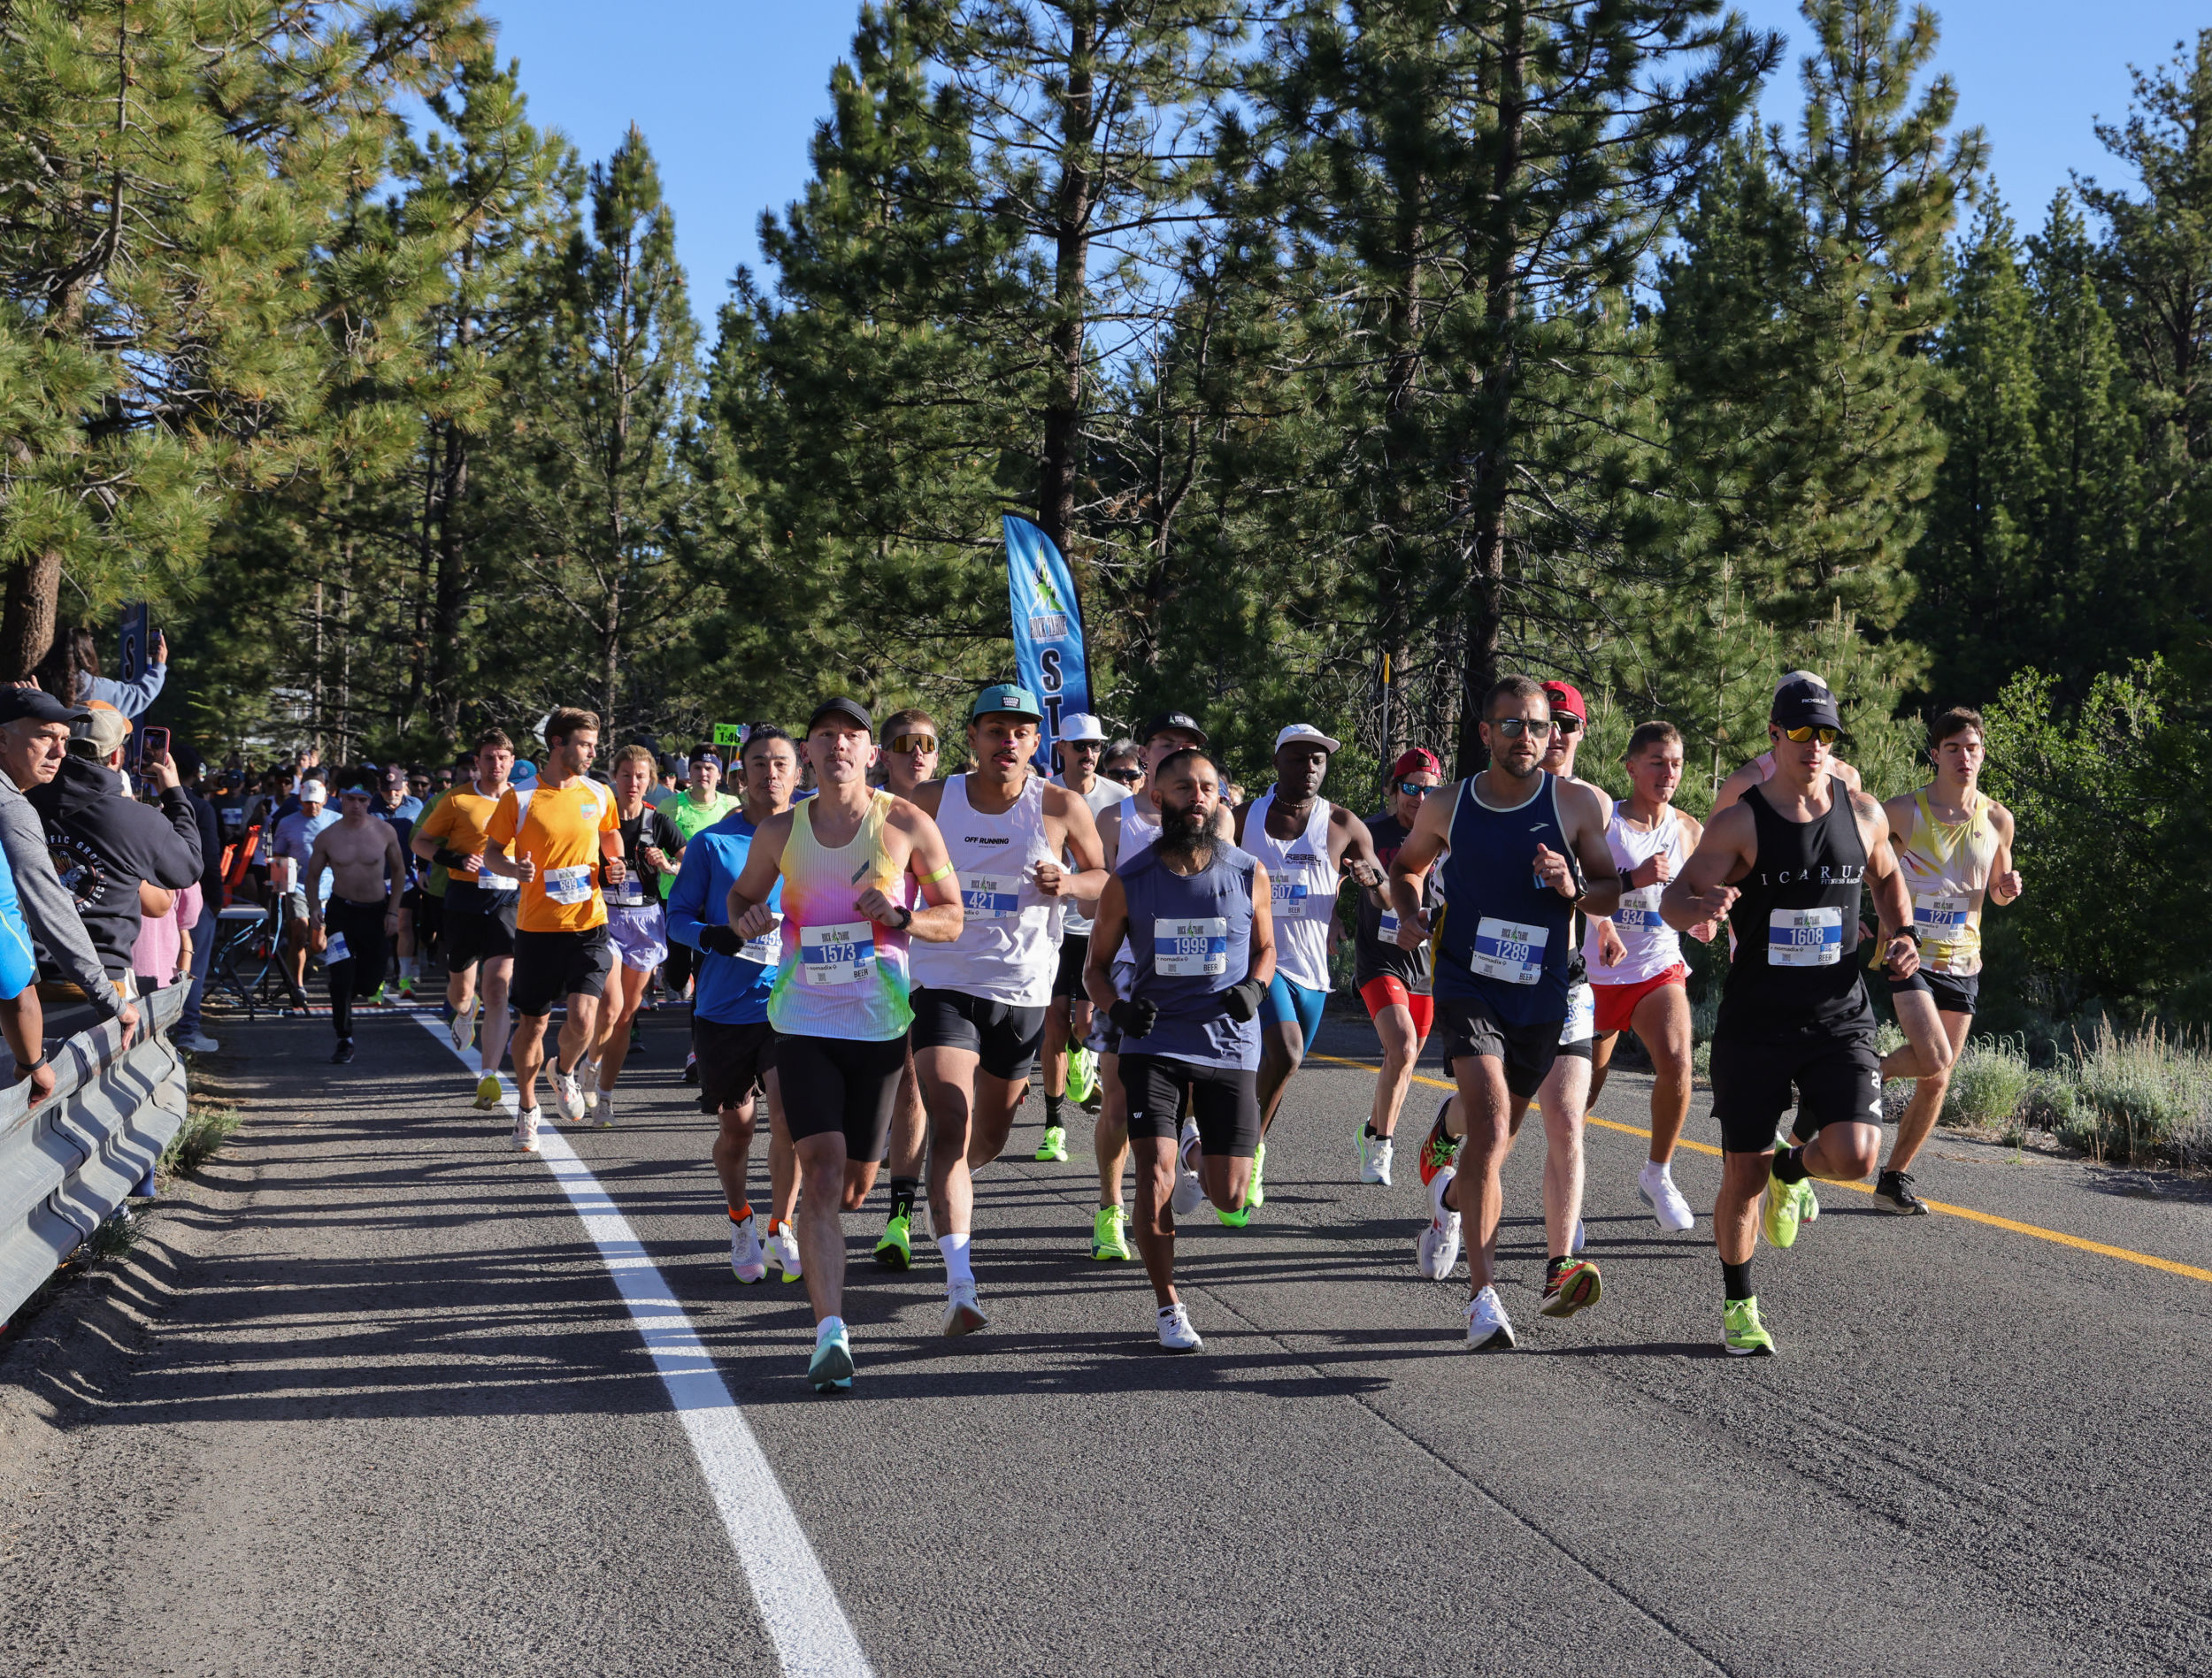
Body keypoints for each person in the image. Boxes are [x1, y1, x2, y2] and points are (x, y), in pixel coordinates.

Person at [1660, 675, 1918, 1355]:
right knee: (1740, 1176)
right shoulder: (1740, 820)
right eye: (1801, 733)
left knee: (1859, 1155)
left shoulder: (1861, 814)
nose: (1815, 746)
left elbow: (1889, 876)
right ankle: (1740, 1302)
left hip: (1839, 1015)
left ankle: (1794, 1168)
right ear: (1774, 737)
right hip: (1757, 1024)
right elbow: (1674, 900)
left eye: (1826, 734)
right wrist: (1701, 911)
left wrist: (1902, 933)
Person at [720, 696, 963, 1392]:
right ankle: (831, 1332)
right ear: (810, 750)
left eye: (850, 737)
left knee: (854, 1186)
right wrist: (749, 918)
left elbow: (954, 917)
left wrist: (904, 916)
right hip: (802, 1020)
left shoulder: (907, 823)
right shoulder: (779, 830)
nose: (837, 748)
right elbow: (740, 902)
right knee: (821, 1176)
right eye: (823, 736)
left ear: (870, 753)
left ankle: (845, 1253)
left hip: (880, 1024)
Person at [1386, 677, 1622, 1350]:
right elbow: (1407, 869)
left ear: (1555, 735)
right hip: (1467, 981)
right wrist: (1411, 913)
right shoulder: (1448, 804)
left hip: (1542, 994)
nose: (1527, 738)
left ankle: (1448, 1206)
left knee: (1499, 1136)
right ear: (1485, 732)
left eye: (1539, 727)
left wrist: (1572, 885)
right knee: (1489, 1119)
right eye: (1512, 725)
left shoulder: (1576, 805)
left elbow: (1606, 893)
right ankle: (1484, 1297)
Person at [909, 685, 1107, 1334]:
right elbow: (885, 865)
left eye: (1021, 731)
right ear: (973, 737)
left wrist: (1070, 882)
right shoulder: (935, 800)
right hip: (942, 979)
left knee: (984, 1139)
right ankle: (960, 1284)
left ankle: (946, 1186)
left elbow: (1105, 880)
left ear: (1035, 742)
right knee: (950, 1114)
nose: (1009, 741)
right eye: (996, 730)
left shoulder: (1059, 806)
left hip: (1021, 992)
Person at [1084, 746, 1275, 1352]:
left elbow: (1267, 949)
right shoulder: (1129, 880)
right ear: (1158, 797)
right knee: (1154, 1173)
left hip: (1228, 1043)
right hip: (1154, 1040)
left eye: (1208, 787)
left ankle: (1199, 1159)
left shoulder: (1248, 871)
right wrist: (1117, 1008)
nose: (1197, 798)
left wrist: (1257, 986)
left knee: (1231, 1196)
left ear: (1221, 798)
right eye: (1184, 787)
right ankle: (1169, 1306)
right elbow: (1093, 967)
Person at [1087, 712, 1235, 1259]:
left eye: (1191, 746)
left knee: (1192, 1088)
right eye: (1168, 744)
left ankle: (1188, 1148)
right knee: (1119, 1100)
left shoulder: (1216, 818)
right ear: (1146, 759)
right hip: (1128, 971)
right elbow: (1090, 899)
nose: (1180, 752)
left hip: (1197, 970)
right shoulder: (1114, 819)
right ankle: (1109, 1209)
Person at [1873, 707, 2021, 1214]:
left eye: (1973, 747)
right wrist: (1879, 919)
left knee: (1938, 1076)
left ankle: (1893, 1179)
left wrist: (2005, 889)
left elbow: (1997, 892)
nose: (1964, 756)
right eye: (1953, 747)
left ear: (1983, 753)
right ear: (1934, 753)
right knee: (1934, 1057)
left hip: (1964, 960)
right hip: (1911, 956)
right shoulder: (1901, 812)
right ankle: (1867, 1075)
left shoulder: (1998, 818)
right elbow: (1865, 862)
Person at [669, 724, 800, 1285]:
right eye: (759, 764)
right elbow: (677, 917)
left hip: (795, 1000)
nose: (769, 774)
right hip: (724, 1007)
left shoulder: (818, 837)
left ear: (798, 774)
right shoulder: (712, 844)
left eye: (780, 764)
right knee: (739, 1127)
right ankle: (741, 1216)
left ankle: (781, 1226)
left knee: (791, 1121)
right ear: (739, 774)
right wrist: (713, 937)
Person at [1234, 724, 1382, 1219]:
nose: (1310, 768)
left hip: (1314, 971)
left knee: (1272, 1070)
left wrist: (1371, 880)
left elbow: (1384, 890)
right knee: (1289, 1053)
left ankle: (1243, 1144)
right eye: (1298, 759)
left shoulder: (1340, 823)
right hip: (1257, 959)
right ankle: (1246, 1155)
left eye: (1318, 759)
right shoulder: (1241, 818)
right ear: (1277, 762)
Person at [1585, 722, 1716, 1231]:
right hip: (1596, 974)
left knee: (1679, 1062)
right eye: (1658, 762)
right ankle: (1566, 1190)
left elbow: (1695, 895)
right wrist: (1604, 925)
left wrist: (1704, 918)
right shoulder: (1604, 823)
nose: (1669, 773)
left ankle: (1658, 1173)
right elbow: (1581, 888)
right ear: (1631, 767)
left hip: (1657, 968)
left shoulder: (1688, 829)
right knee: (1583, 1095)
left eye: (1677, 763)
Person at [480, 709, 623, 1152]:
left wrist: (615, 866)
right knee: (532, 1025)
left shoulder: (599, 793)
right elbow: (491, 855)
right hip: (538, 929)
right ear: (557, 744)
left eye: (595, 745)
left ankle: (563, 1071)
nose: (592, 753)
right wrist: (514, 868)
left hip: (589, 924)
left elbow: (611, 839)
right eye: (584, 744)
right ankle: (527, 1108)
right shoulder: (519, 799)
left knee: (584, 1018)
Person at [29, 707, 203, 985]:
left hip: (30, 976)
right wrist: (174, 795)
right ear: (114, 756)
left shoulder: (21, 803)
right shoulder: (137, 819)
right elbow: (187, 868)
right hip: (105, 976)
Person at [0, 689, 136, 1036]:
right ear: (2, 739)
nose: (60, 751)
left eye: (64, 739)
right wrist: (108, 998)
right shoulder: (10, 808)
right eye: (46, 736)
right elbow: (48, 904)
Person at [867, 707, 941, 1271]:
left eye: (927, 744)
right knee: (909, 1083)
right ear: (883, 755)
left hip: (964, 967)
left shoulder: (960, 805)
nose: (917, 752)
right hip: (885, 970)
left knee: (988, 1115)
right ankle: (900, 1218)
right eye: (904, 743)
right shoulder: (861, 813)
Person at [1351, 748, 1446, 1185]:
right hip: (1380, 960)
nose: (1420, 798)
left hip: (1427, 965)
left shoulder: (1449, 836)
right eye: (1411, 788)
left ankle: (1373, 1128)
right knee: (1402, 1047)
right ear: (1394, 790)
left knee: (1404, 1062)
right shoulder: (1370, 832)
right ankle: (1382, 1146)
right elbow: (1335, 875)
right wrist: (1334, 914)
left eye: (1429, 790)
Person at [412, 731, 519, 1109]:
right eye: (489, 757)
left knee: (498, 989)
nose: (496, 764)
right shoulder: (456, 799)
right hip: (464, 899)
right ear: (478, 761)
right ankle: (465, 1010)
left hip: (508, 899)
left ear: (511, 760)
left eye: (502, 757)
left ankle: (488, 1076)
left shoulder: (524, 799)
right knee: (462, 992)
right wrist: (455, 860)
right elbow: (420, 842)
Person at [1038, 710, 1123, 1161]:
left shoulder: (1118, 799)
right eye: (1080, 747)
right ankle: (1054, 1125)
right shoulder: (1043, 795)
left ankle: (1079, 1047)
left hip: (1100, 928)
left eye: (1095, 747)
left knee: (1085, 1024)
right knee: (1053, 1023)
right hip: (1054, 929)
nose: (1089, 754)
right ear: (1062, 750)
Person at [587, 745, 686, 1123]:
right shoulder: (597, 820)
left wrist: (666, 864)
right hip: (605, 917)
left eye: (640, 776)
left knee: (627, 1014)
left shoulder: (657, 820)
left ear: (651, 781)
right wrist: (599, 874)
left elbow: (688, 860)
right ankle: (592, 1062)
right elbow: (575, 863)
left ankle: (606, 1095)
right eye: (626, 774)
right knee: (610, 1006)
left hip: (644, 920)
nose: (633, 782)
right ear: (614, 776)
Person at [302, 784, 406, 1063]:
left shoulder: (384, 832)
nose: (356, 805)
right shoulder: (328, 837)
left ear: (369, 801)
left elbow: (399, 871)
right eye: (350, 799)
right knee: (341, 978)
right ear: (341, 800)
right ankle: (344, 1039)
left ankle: (353, 986)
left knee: (371, 984)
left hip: (375, 912)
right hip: (341, 913)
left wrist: (393, 912)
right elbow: (311, 876)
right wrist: (314, 907)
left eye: (362, 799)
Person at [657, 744, 738, 1014]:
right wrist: (669, 864)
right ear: (689, 773)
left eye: (709, 768)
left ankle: (698, 1041)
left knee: (708, 971)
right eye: (698, 768)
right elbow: (657, 847)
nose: (703, 773)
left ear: (720, 773)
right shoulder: (671, 806)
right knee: (677, 977)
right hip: (678, 896)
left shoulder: (733, 805)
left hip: (717, 899)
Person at [169, 743, 227, 1054]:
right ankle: (188, 1030)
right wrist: (216, 898)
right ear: (195, 773)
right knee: (192, 964)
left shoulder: (144, 801)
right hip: (193, 895)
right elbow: (210, 856)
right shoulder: (201, 807)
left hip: (151, 896)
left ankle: (166, 1031)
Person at [272, 780, 339, 1003]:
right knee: (298, 931)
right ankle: (297, 984)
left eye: (317, 802)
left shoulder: (336, 821)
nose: (313, 807)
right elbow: (277, 855)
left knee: (319, 943)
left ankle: (299, 958)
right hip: (298, 885)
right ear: (300, 800)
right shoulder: (287, 823)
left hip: (327, 886)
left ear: (325, 800)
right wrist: (281, 876)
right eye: (308, 802)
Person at [65, 624, 170, 718]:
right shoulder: (93, 687)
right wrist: (159, 665)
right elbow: (140, 695)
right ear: (87, 652)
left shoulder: (49, 681)